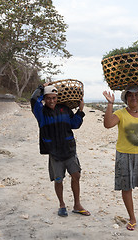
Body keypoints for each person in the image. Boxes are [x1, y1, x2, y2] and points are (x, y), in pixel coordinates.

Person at [102, 85, 138, 231]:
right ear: (126, 98)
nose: (134, 97)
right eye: (130, 95)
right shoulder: (120, 113)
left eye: (136, 95)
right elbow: (108, 124)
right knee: (126, 188)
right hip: (124, 155)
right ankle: (132, 218)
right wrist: (110, 104)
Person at [31, 82, 90, 217]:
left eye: (54, 97)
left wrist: (80, 112)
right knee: (58, 179)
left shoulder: (64, 109)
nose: (51, 101)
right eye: (48, 98)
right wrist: (41, 87)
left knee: (76, 175)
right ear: (44, 99)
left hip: (69, 149)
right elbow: (34, 100)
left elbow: (75, 124)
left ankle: (77, 205)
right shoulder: (41, 113)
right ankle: (62, 205)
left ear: (58, 98)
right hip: (54, 152)